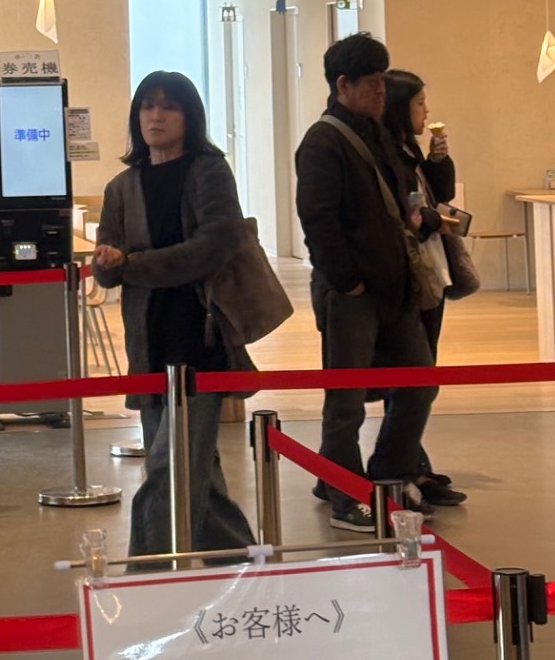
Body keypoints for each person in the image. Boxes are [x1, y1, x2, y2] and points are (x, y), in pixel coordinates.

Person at [94, 71, 255, 558]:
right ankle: (242, 563)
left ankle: (147, 574)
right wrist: (107, 264)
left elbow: (211, 249)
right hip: (148, 341)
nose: (156, 116)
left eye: (169, 107)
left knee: (169, 466)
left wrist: (131, 265)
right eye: (148, 106)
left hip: (198, 340)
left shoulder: (209, 172)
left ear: (189, 117)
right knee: (196, 471)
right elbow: (108, 270)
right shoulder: (122, 187)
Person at [295, 32, 439, 532]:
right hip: (352, 293)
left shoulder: (379, 132)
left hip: (395, 288)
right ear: (343, 85)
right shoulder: (323, 141)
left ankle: (389, 474)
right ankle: (343, 490)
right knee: (346, 401)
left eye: (382, 80)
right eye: (370, 82)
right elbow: (317, 219)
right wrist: (347, 279)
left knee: (419, 382)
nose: (381, 90)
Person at [378, 70, 465, 508]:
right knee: (416, 380)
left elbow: (437, 194)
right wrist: (431, 220)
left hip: (431, 271)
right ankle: (398, 468)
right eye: (418, 103)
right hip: (412, 275)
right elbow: (409, 215)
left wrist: (438, 161)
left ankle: (414, 463)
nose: (426, 111)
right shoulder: (387, 154)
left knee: (422, 377)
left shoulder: (410, 151)